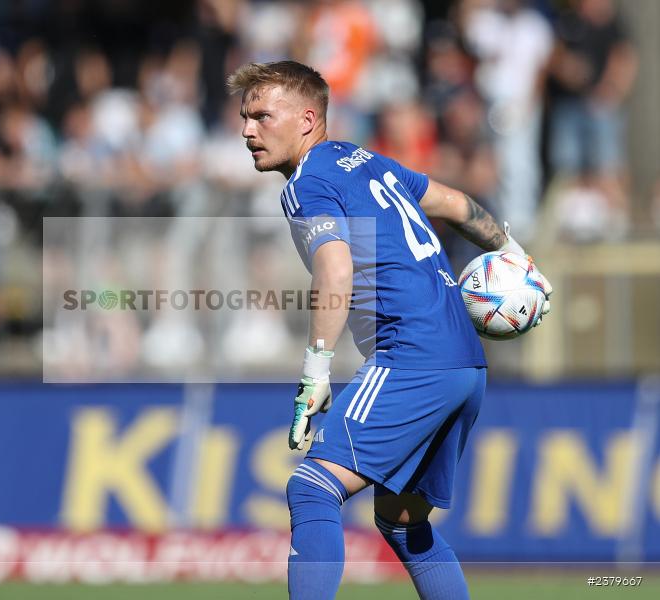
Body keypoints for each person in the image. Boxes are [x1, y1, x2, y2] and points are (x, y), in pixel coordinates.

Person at [227, 60, 552, 600]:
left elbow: (335, 270)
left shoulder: (308, 184)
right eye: (244, 118)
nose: (247, 131)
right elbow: (454, 205)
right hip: (465, 364)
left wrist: (315, 373)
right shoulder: (367, 163)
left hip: (413, 356)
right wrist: (513, 251)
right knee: (404, 523)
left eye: (262, 116)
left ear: (308, 119)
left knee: (311, 489)